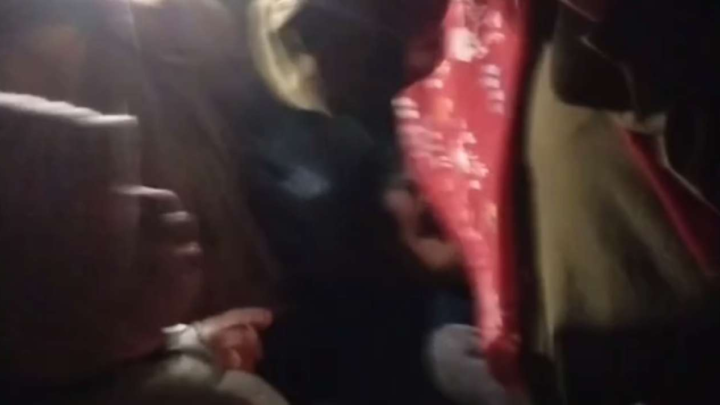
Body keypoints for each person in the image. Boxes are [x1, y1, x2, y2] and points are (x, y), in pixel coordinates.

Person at [0, 1, 286, 404]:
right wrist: (178, 352)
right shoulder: (28, 81)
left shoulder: (133, 28)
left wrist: (189, 347)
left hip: (206, 323)